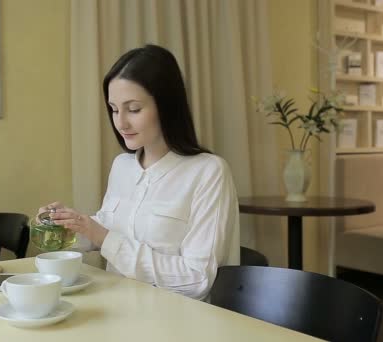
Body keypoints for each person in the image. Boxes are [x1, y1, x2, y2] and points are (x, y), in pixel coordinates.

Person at [37, 44, 239, 300]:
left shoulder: (208, 172)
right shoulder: (122, 166)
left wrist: (105, 238)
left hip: (176, 322)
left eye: (133, 109)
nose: (120, 122)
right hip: (116, 307)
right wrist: (64, 226)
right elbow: (108, 227)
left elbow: (197, 279)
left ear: (167, 106)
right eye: (113, 109)